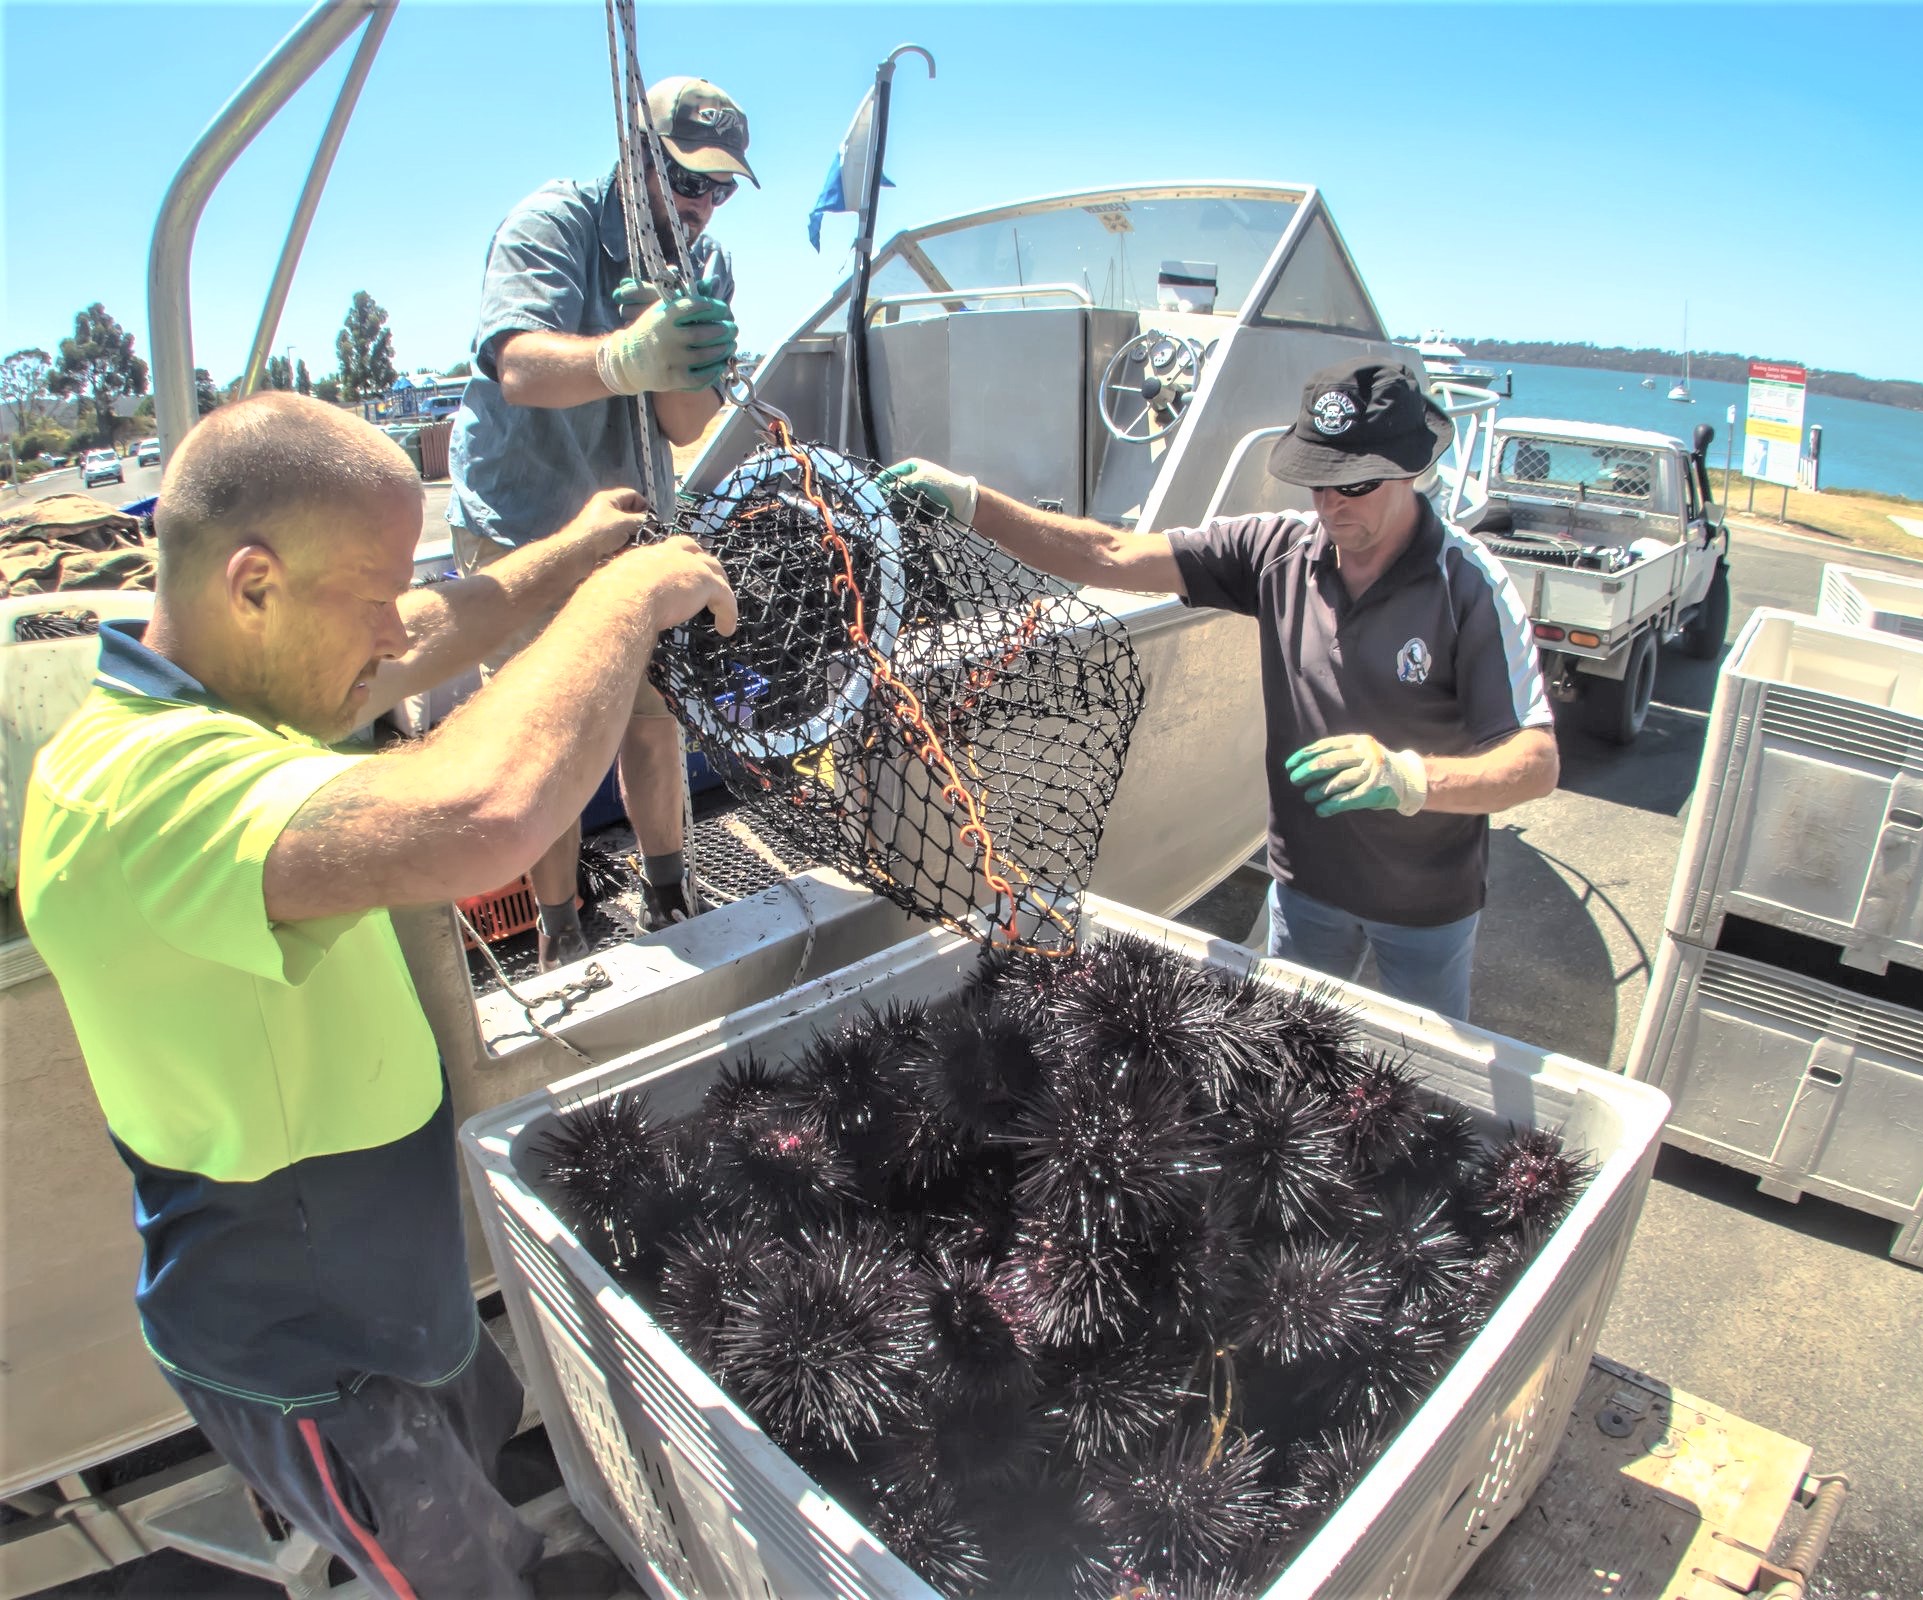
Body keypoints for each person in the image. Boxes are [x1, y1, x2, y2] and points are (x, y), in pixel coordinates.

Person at [19, 393, 736, 1598]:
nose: (388, 635)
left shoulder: (232, 687)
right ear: (253, 583)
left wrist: (575, 552)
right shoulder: (144, 793)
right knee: (447, 1565)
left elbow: (428, 626)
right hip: (316, 1354)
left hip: (388, 1280)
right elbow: (484, 818)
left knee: (473, 1433)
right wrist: (627, 601)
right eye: (368, 595)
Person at [879, 357, 1558, 1021]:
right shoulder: (1276, 551)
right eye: (1318, 481)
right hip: (1306, 891)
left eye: (1354, 486)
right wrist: (974, 503)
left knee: (1427, 1086)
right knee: (1291, 1069)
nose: (1329, 503)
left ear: (1411, 471)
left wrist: (1411, 778)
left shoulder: (1467, 583)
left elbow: (1534, 763)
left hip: (1426, 902)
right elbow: (1109, 554)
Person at [448, 75, 756, 968]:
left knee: (654, 716)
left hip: (630, 521)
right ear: (635, 158)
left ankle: (670, 896)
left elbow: (685, 426)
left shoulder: (708, 266)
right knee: (542, 735)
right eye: (686, 179)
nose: (702, 204)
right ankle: (560, 928)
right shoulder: (554, 223)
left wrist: (679, 361)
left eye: (720, 188)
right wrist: (628, 351)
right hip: (523, 519)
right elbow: (520, 369)